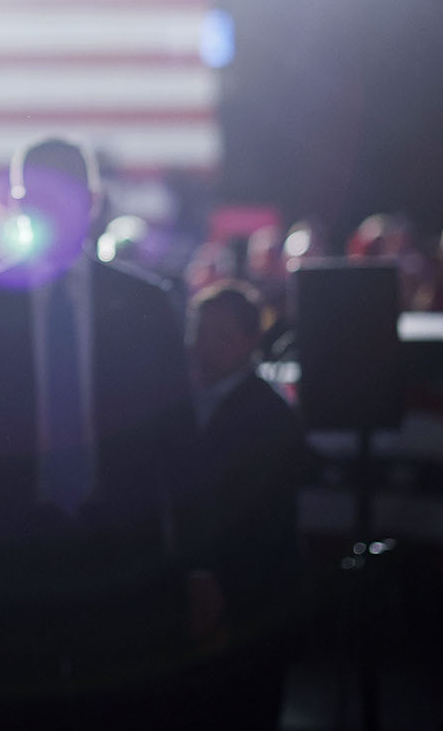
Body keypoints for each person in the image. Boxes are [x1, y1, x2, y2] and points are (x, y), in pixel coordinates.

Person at [0, 137, 218, 731]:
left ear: (93, 202)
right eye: (35, 196)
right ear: (18, 203)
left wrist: (202, 565)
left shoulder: (147, 304)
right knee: (17, 715)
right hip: (10, 563)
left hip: (122, 560)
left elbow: (179, 442)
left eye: (64, 196)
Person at [184, 282, 306, 731]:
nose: (204, 348)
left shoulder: (270, 417)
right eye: (199, 333)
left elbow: (258, 523)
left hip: (252, 608)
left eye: (221, 335)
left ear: (252, 340)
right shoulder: (179, 404)